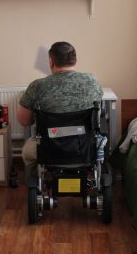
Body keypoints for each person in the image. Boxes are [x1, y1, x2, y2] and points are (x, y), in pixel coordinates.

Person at [17, 41, 103, 184]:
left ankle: (39, 179)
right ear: (75, 60)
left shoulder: (37, 86)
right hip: (84, 149)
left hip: (50, 150)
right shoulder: (92, 81)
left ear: (51, 61)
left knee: (28, 151)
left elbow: (24, 121)